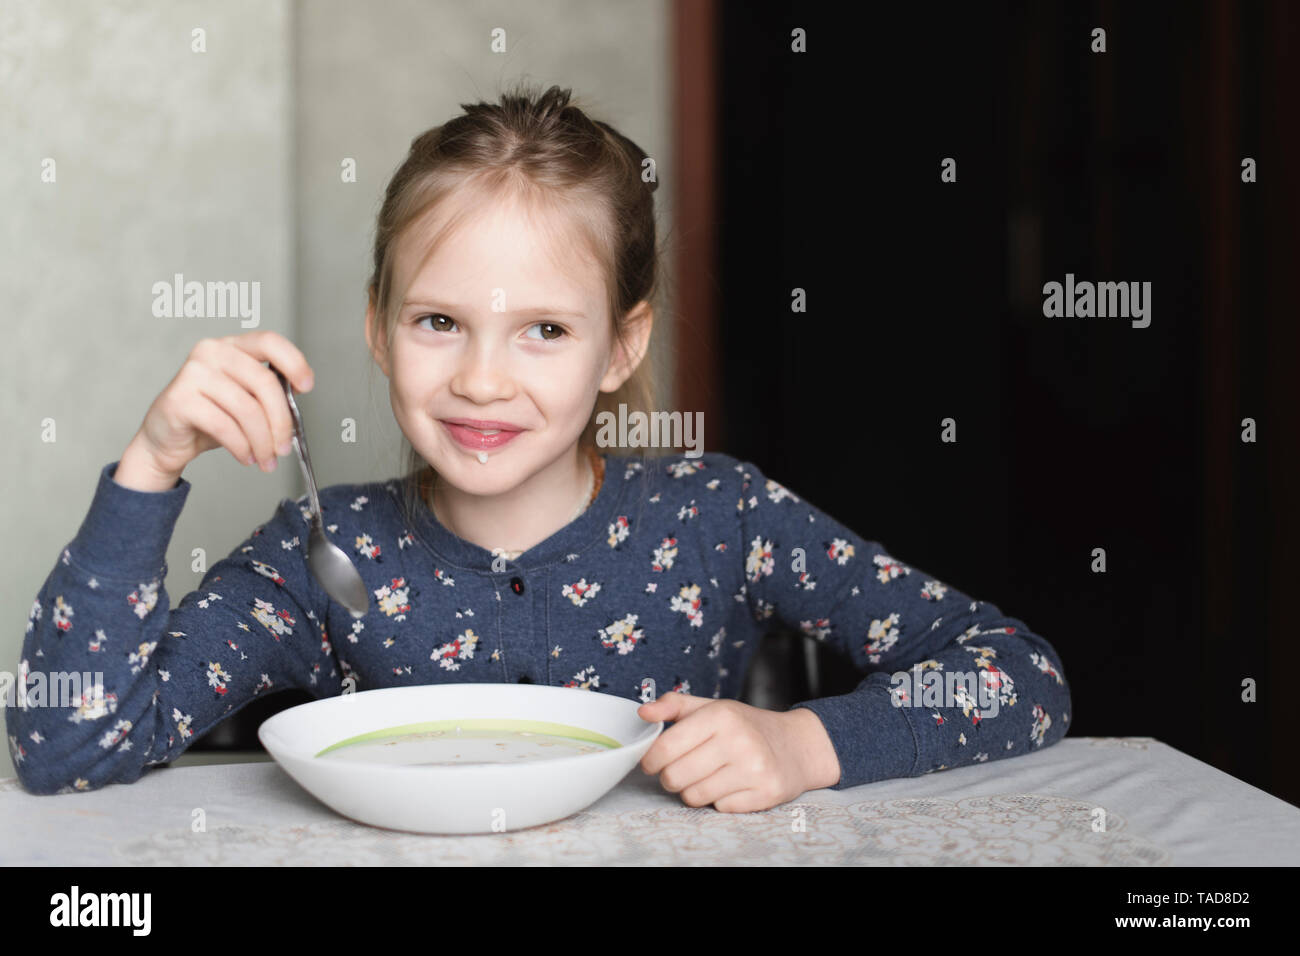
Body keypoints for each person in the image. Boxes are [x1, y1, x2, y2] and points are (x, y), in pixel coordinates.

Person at [8, 83, 1070, 811]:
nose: (481, 378)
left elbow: (1019, 674)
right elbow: (65, 751)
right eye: (438, 322)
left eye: (545, 331)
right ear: (377, 327)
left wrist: (804, 744)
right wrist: (152, 462)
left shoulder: (720, 515)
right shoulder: (321, 554)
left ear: (621, 343)